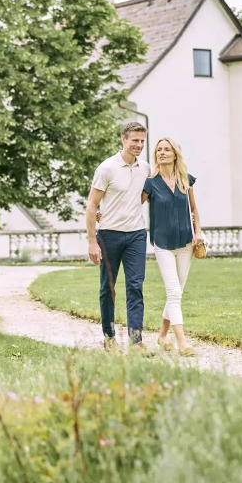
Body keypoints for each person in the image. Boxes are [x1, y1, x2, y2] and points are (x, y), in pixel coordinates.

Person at [86, 120, 149, 351]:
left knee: (135, 286)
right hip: (109, 235)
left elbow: (143, 197)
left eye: (142, 141)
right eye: (134, 140)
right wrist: (92, 242)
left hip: (136, 235)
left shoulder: (145, 168)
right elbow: (92, 205)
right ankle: (109, 337)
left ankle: (136, 341)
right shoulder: (107, 168)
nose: (139, 145)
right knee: (108, 287)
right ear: (123, 139)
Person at [142, 137, 204, 354]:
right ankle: (182, 343)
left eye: (167, 149)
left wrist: (198, 232)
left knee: (176, 293)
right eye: (159, 150)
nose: (162, 153)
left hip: (186, 243)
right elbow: (131, 204)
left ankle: (162, 336)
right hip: (163, 244)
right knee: (174, 291)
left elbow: (193, 209)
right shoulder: (150, 183)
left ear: (175, 154)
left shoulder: (186, 180)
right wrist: (105, 213)